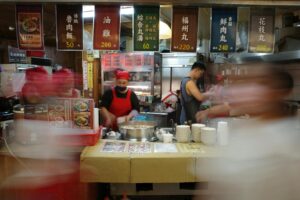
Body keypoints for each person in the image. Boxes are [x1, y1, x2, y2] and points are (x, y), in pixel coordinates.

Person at [194, 64, 299, 200]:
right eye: (243, 82)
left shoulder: (290, 144)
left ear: (280, 92)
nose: (247, 90)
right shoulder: (241, 131)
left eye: (261, 82)